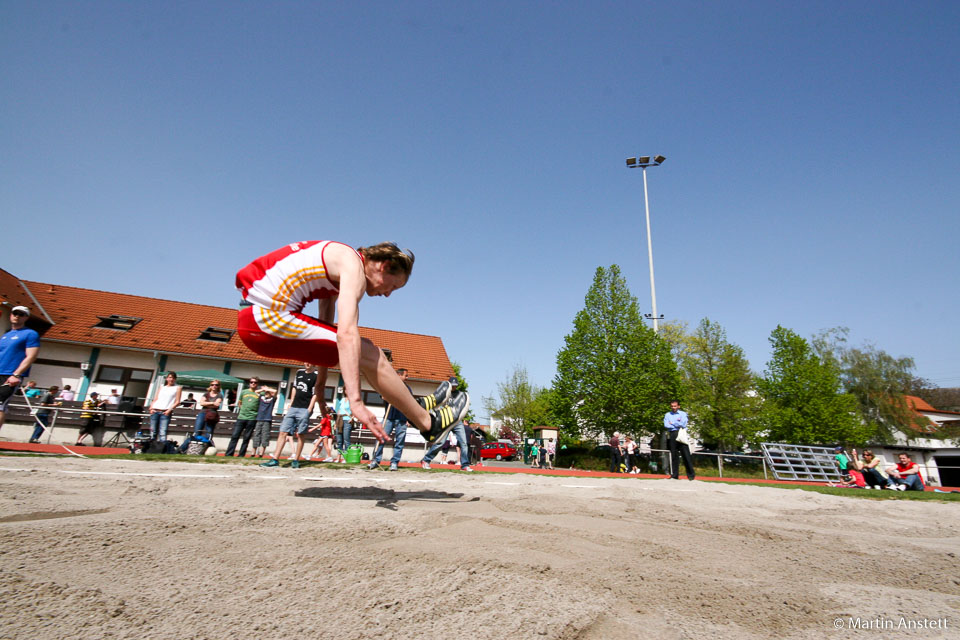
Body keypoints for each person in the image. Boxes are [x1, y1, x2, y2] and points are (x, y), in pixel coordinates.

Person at [235, 241, 468, 451]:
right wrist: (355, 402)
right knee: (370, 353)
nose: (387, 295)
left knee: (363, 349)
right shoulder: (353, 267)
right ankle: (429, 423)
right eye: (393, 287)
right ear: (384, 266)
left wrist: (321, 383)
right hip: (265, 318)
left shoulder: (338, 264)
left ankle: (415, 406)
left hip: (257, 317)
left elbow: (325, 326)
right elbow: (346, 334)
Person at [262, 364, 318, 469]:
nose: (307, 363)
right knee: (283, 431)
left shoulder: (316, 375)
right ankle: (275, 459)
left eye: (310, 361)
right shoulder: (299, 372)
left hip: (304, 408)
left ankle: (296, 459)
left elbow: (316, 393)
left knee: (300, 433)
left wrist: (310, 408)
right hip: (293, 407)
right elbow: (294, 388)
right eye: (306, 361)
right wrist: (291, 402)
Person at [0, 305, 41, 431]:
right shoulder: (6, 335)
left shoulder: (30, 334)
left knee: (0, 406)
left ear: (26, 317)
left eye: (21, 314)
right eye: (15, 313)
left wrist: (16, 374)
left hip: (10, 375)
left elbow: (31, 356)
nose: (17, 316)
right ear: (10, 315)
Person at [368, 368, 414, 471]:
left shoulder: (407, 389)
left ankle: (394, 463)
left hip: (402, 418)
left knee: (399, 442)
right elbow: (383, 396)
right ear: (399, 375)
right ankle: (375, 460)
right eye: (405, 375)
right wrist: (388, 395)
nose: (407, 377)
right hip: (389, 417)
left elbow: (410, 404)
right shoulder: (389, 385)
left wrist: (409, 419)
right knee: (381, 438)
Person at [178, 380, 225, 454]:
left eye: (216, 385)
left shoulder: (219, 395)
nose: (214, 386)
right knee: (197, 432)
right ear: (210, 386)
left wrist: (207, 403)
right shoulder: (206, 394)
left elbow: (217, 404)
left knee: (208, 434)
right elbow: (202, 403)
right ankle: (188, 449)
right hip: (202, 413)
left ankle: (205, 451)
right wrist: (212, 402)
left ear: (219, 386)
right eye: (212, 385)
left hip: (212, 415)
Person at [225, 377, 263, 457]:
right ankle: (229, 453)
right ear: (249, 383)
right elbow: (239, 402)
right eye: (251, 382)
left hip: (252, 418)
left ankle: (241, 454)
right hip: (241, 417)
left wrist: (263, 389)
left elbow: (272, 394)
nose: (253, 383)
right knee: (235, 436)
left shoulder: (260, 394)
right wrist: (242, 409)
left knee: (246, 438)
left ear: (257, 384)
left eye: (255, 382)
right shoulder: (244, 392)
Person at [147, 372, 182, 445]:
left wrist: (169, 410)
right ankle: (150, 446)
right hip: (155, 410)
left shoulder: (177, 388)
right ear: (167, 378)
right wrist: (151, 408)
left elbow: (177, 401)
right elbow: (156, 398)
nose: (171, 379)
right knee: (153, 431)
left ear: (175, 379)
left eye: (173, 378)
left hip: (165, 412)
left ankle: (162, 447)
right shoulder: (162, 387)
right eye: (169, 377)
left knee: (163, 431)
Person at [664, 401, 695, 481]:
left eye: (675, 406)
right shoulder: (668, 415)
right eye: (672, 406)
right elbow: (666, 425)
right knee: (674, 455)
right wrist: (677, 423)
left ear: (678, 406)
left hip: (681, 433)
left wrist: (673, 423)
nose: (673, 408)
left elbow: (683, 424)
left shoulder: (683, 414)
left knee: (686, 455)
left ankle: (691, 475)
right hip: (672, 434)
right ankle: (675, 475)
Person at [251, 385, 278, 458]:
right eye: (265, 393)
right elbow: (256, 392)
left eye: (267, 393)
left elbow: (275, 391)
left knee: (265, 436)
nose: (266, 393)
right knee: (256, 435)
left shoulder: (272, 399)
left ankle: (261, 453)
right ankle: (253, 452)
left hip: (267, 420)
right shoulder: (261, 398)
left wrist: (268, 389)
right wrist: (263, 390)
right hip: (259, 419)